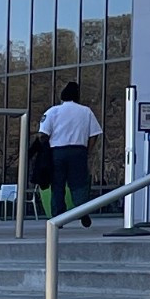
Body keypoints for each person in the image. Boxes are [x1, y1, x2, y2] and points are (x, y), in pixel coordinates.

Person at [36, 82, 102, 227]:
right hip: (79, 151)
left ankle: (58, 218)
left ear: (62, 96)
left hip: (58, 152)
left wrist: (44, 149)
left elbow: (42, 134)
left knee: (57, 185)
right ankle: (82, 211)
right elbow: (94, 134)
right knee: (79, 184)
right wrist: (88, 151)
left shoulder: (53, 111)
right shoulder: (86, 111)